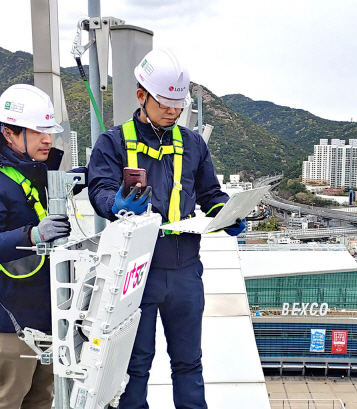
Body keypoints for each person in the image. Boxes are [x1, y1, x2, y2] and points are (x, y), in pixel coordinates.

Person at [87, 48, 245, 409]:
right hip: (136, 270)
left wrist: (227, 214)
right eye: (165, 104)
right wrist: (116, 205)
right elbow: (100, 190)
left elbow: (210, 193)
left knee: (189, 362)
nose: (173, 111)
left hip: (186, 267)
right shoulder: (113, 142)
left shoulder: (192, 143)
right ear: (141, 95)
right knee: (134, 367)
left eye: (178, 104)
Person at [0, 84, 75, 409]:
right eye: (38, 131)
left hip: (44, 318)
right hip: (9, 327)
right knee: (9, 399)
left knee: (41, 400)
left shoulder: (36, 174)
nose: (48, 139)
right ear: (9, 134)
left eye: (50, 131)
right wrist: (31, 236)